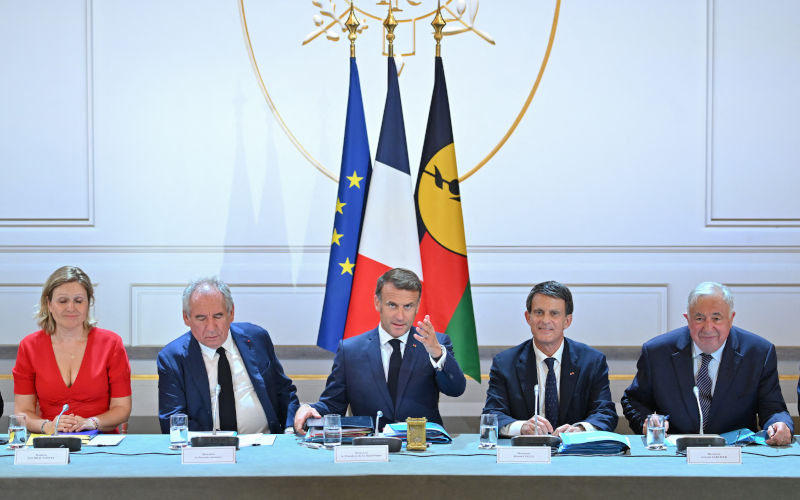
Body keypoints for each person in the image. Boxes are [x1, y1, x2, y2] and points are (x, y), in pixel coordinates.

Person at [293, 268, 466, 433]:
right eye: (392, 305)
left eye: (408, 306)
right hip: (369, 450)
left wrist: (437, 353)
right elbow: (333, 405)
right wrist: (309, 409)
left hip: (423, 449)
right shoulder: (350, 350)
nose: (400, 316)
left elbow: (456, 389)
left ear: (418, 306)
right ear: (377, 303)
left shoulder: (436, 344)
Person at [621, 282, 793, 445]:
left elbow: (772, 407)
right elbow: (634, 401)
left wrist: (779, 424)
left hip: (738, 453)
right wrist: (646, 422)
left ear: (731, 318)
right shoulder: (657, 353)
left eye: (716, 318)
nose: (708, 328)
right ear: (687, 319)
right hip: (673, 453)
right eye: (699, 318)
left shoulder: (758, 353)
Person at [157, 277, 299, 434]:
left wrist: (289, 429)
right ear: (186, 318)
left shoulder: (257, 338)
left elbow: (284, 391)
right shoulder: (172, 358)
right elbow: (173, 421)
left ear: (231, 313)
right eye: (201, 318)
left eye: (218, 316)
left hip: (264, 444)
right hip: (206, 451)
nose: (211, 328)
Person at [482, 281, 617, 437]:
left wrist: (580, 430)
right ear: (528, 317)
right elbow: (492, 414)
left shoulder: (592, 361)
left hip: (576, 456)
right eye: (539, 312)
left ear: (567, 321)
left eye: (554, 313)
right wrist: (522, 427)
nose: (545, 320)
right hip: (524, 455)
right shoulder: (505, 363)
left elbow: (605, 413)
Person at [13, 266, 131, 434]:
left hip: (102, 443)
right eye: (62, 301)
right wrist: (47, 426)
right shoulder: (29, 346)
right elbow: (22, 412)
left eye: (78, 300)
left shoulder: (112, 343)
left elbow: (122, 408)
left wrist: (92, 422)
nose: (71, 307)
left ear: (88, 303)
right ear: (49, 304)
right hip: (50, 443)